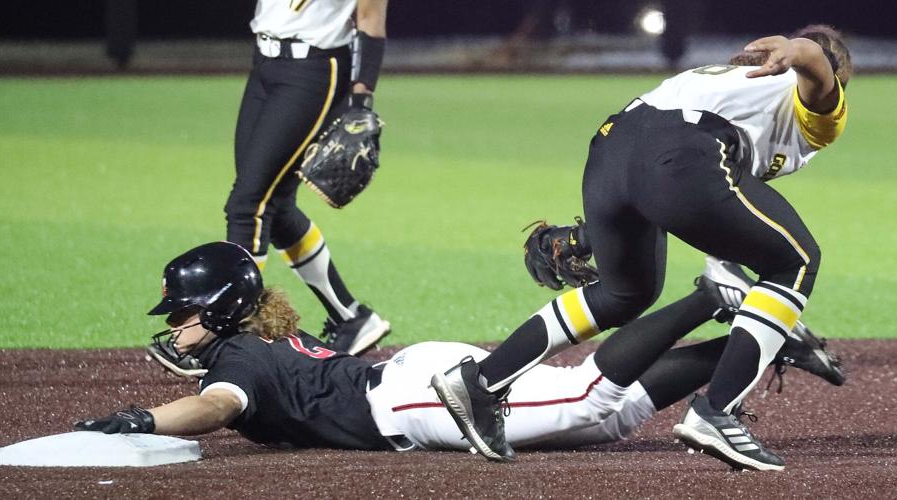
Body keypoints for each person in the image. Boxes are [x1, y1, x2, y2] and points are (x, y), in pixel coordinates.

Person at [431, 25, 851, 470]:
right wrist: (799, 50)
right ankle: (717, 413)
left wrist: (585, 238)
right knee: (796, 262)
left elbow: (664, 184)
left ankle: (481, 383)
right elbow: (818, 67)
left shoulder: (723, 82)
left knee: (624, 292)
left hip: (614, 145)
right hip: (686, 148)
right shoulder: (812, 98)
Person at [74, 242, 843, 455]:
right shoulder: (265, 332)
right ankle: (749, 341)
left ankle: (708, 296)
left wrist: (144, 419)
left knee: (581, 393)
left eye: (182, 313)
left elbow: (213, 409)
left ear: (220, 309)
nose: (174, 326)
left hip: (409, 401)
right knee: (604, 416)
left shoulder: (238, 358)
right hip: (409, 381)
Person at [223, 0, 391, 356]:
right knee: (276, 205)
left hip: (316, 70)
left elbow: (371, 19)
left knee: (248, 205)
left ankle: (230, 334)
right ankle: (351, 317)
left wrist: (360, 104)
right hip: (265, 62)